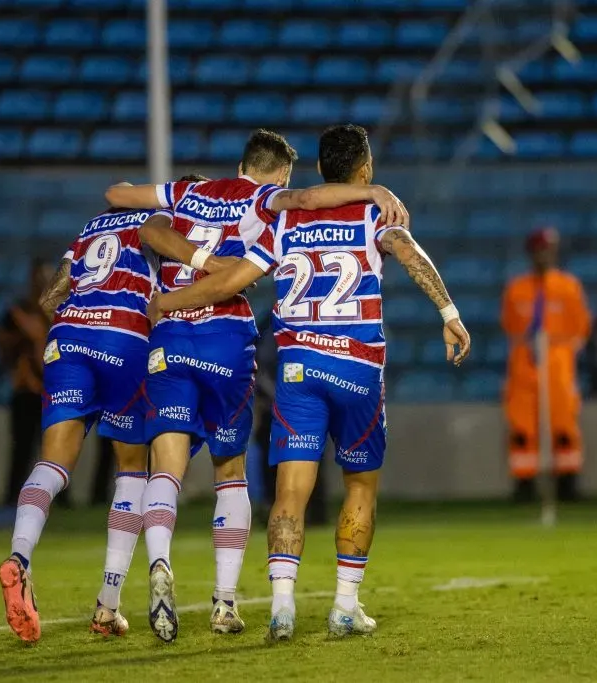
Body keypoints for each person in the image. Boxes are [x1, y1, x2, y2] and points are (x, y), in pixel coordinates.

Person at [149, 124, 469, 640]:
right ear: (365, 170)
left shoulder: (284, 222)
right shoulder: (372, 214)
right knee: (360, 485)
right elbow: (409, 251)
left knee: (290, 492)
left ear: (319, 170)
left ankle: (281, 609)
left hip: (299, 368)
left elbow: (229, 282)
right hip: (357, 367)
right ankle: (345, 605)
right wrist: (449, 313)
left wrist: (167, 301)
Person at [0, 177, 217, 644]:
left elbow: (50, 297)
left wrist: (83, 321)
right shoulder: (163, 222)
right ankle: (107, 604)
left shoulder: (92, 226)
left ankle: (18, 557)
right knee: (132, 470)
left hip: (68, 336)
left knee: (52, 464)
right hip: (125, 338)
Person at [500, 228, 591, 503]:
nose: (543, 254)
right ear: (531, 252)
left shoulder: (568, 287)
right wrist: (529, 346)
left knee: (564, 424)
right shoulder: (516, 288)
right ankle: (524, 483)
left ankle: (568, 482)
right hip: (524, 362)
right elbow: (510, 326)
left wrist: (559, 350)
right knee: (522, 426)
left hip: (558, 363)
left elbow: (580, 328)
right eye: (539, 249)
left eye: (548, 249)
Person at [0, 258, 52, 508]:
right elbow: (3, 348)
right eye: (39, 278)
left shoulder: (60, 312)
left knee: (54, 449)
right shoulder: (17, 314)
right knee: (22, 448)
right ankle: (13, 498)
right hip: (26, 390)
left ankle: (59, 500)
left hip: (53, 391)